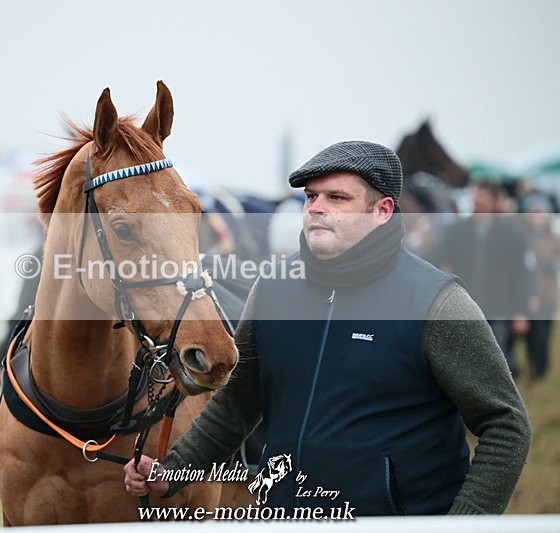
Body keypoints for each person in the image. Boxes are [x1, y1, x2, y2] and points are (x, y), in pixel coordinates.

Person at [124, 141, 531, 515]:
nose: (317, 208)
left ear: (382, 211)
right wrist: (172, 473)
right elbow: (236, 406)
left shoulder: (435, 303)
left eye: (337, 198)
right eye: (311, 197)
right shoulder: (270, 290)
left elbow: (506, 426)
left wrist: (462, 525)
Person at [431, 182, 533, 377]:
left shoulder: (510, 233)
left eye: (483, 195)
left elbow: (521, 273)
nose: (478, 199)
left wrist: (522, 310)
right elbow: (435, 256)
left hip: (499, 308)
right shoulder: (458, 230)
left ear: (495, 200)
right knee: (466, 361)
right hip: (466, 306)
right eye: (476, 195)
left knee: (497, 360)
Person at [524, 195, 560, 380]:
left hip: (548, 294)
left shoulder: (553, 238)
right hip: (529, 294)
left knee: (543, 333)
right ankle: (534, 368)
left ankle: (541, 369)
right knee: (531, 333)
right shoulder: (524, 236)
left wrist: (547, 262)